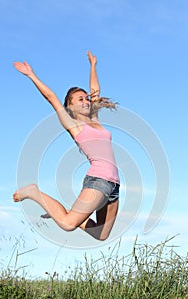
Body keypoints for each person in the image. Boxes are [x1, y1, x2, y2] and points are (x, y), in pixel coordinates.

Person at [13, 51, 120, 241]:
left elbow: (95, 91)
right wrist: (31, 75)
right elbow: (51, 97)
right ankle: (33, 192)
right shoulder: (74, 126)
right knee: (67, 224)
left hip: (114, 185)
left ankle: (63, 213)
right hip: (98, 180)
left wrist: (93, 65)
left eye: (86, 98)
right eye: (80, 99)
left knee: (101, 234)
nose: (86, 100)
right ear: (70, 107)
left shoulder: (95, 119)